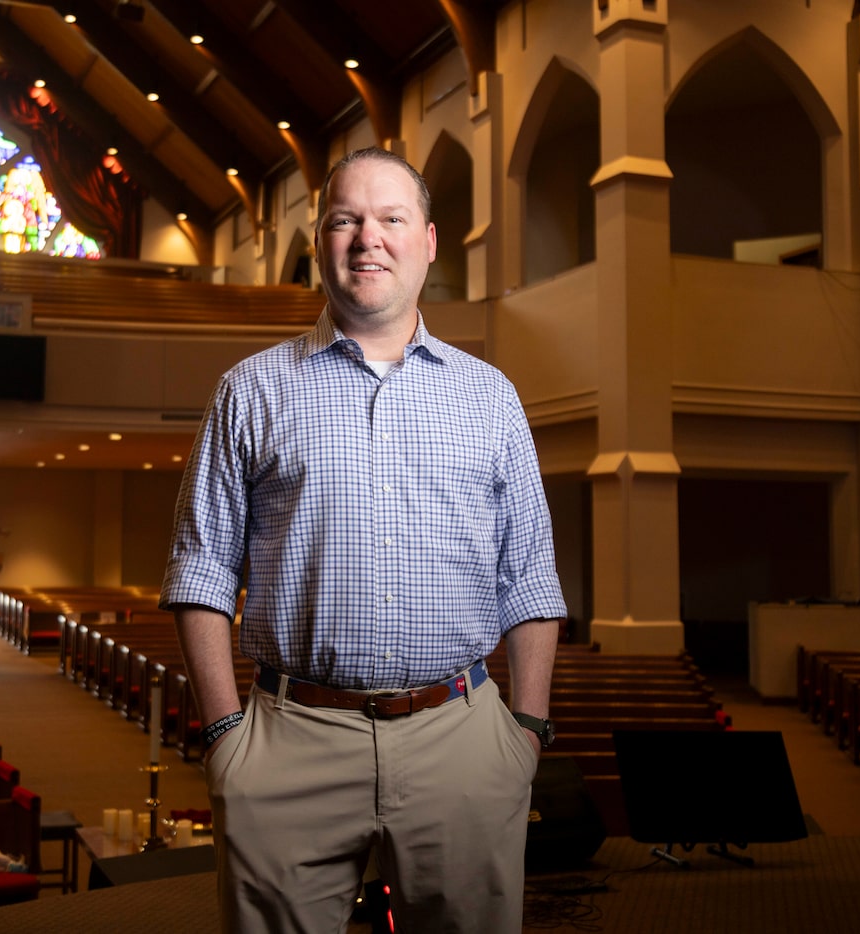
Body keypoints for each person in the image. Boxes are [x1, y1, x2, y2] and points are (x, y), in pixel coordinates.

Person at [160, 146, 567, 934]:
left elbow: (531, 577)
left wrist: (526, 731)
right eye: (346, 219)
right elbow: (202, 569)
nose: (367, 238)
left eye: (391, 219)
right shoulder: (251, 390)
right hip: (291, 741)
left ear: (429, 241)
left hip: (464, 738)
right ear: (321, 242)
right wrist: (222, 737)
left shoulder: (490, 397)